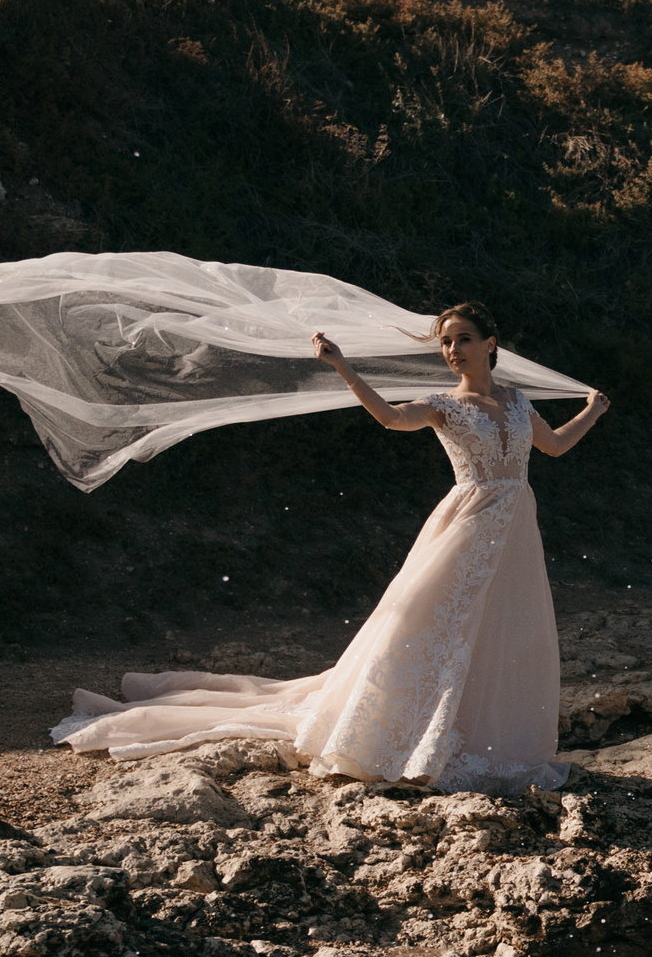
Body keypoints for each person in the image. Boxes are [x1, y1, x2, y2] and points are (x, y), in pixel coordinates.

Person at [51, 304, 610, 791]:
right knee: (429, 625)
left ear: (491, 344)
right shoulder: (443, 403)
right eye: (445, 341)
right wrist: (344, 368)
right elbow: (392, 419)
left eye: (463, 338)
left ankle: (491, 740)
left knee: (502, 631)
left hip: (515, 529)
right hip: (466, 525)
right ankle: (404, 734)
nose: (452, 350)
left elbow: (554, 446)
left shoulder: (515, 401)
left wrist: (592, 409)